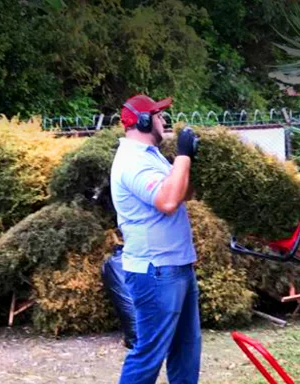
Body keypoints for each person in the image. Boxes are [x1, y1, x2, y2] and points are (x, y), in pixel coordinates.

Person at [111, 94, 201, 384]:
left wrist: (186, 163)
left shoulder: (151, 156)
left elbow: (183, 192)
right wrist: (183, 155)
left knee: (186, 351)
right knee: (149, 353)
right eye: (159, 115)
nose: (164, 121)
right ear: (144, 120)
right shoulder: (132, 161)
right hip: (156, 271)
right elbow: (167, 201)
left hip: (177, 266)